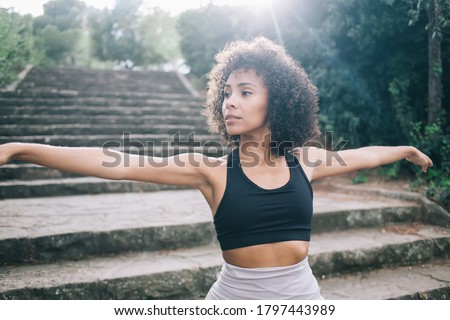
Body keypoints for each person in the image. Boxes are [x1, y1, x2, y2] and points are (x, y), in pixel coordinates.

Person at [0, 37, 432, 300]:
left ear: (278, 101)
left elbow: (367, 154)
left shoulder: (306, 161)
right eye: (226, 93)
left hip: (303, 299)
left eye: (245, 92)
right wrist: (21, 149)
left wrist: (405, 149)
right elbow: (116, 164)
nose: (230, 102)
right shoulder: (211, 172)